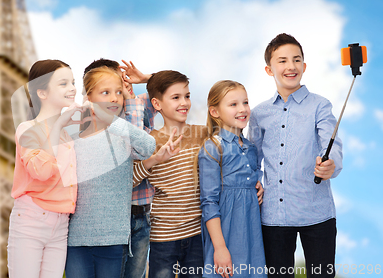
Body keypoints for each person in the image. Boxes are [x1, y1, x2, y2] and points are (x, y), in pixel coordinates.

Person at [248, 33, 343, 278]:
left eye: (296, 60)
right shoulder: (259, 113)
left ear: (304, 66)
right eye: (282, 61)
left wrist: (330, 165)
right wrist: (253, 181)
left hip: (317, 213)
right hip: (274, 217)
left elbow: (332, 145)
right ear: (269, 69)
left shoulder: (320, 105)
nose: (290, 66)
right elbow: (252, 158)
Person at [65, 66, 156, 278]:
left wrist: (111, 121)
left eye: (118, 92)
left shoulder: (123, 132)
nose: (114, 98)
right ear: (89, 97)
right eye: (105, 93)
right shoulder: (73, 134)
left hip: (114, 239)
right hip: (76, 239)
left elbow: (148, 147)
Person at [7, 60, 88, 278]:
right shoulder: (28, 129)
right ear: (42, 93)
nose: (72, 88)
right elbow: (41, 172)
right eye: (63, 83)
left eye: (72, 82)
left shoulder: (66, 135)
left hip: (61, 224)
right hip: (32, 219)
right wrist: (58, 126)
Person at [132, 70, 207, 278]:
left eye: (187, 96)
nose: (184, 102)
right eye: (176, 98)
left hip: (198, 235)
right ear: (157, 104)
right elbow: (128, 180)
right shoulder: (149, 142)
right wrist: (155, 159)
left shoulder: (203, 134)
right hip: (163, 238)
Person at [197, 80, 266, 278]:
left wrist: (258, 184)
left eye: (245, 102)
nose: (242, 109)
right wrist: (220, 248)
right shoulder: (212, 148)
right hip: (226, 233)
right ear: (215, 112)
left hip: (252, 232)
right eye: (233, 104)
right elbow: (209, 202)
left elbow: (251, 178)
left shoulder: (251, 148)